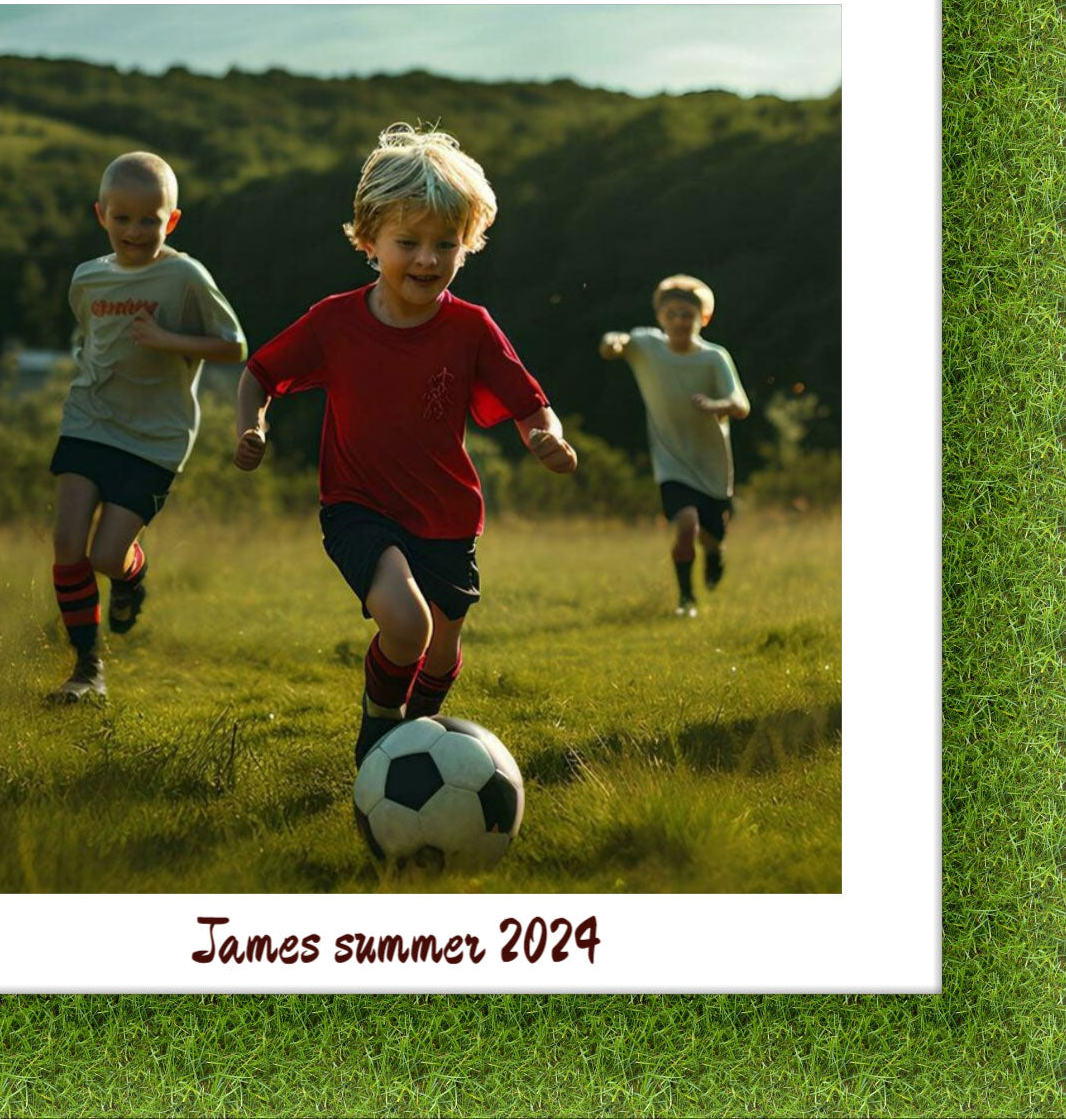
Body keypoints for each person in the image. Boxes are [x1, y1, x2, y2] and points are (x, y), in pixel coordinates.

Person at [234, 124, 578, 767]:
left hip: (446, 514)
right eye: (408, 242)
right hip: (356, 505)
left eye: (445, 244)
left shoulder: (471, 328)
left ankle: (415, 743)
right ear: (368, 241)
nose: (426, 259)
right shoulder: (333, 321)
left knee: (441, 648)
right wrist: (250, 425)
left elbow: (531, 403)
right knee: (407, 624)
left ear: (468, 244)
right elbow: (260, 373)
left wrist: (547, 439)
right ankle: (380, 725)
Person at [47, 151, 247, 703]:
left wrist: (169, 341)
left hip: (155, 439)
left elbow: (234, 346)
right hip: (88, 420)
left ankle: (130, 576)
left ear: (172, 221)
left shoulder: (184, 275)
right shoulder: (86, 279)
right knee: (67, 543)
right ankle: (87, 669)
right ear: (101, 215)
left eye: (149, 220)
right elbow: (91, 342)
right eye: (122, 218)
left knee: (106, 557)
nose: (134, 231)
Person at [599, 274, 749, 617]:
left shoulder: (714, 358)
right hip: (670, 461)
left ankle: (714, 555)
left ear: (703, 318)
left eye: (688, 314)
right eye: (673, 313)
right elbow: (612, 344)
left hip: (712, 463)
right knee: (685, 526)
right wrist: (614, 342)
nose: (680, 320)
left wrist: (717, 406)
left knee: (710, 536)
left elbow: (741, 404)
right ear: (660, 317)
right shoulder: (646, 346)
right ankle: (686, 600)